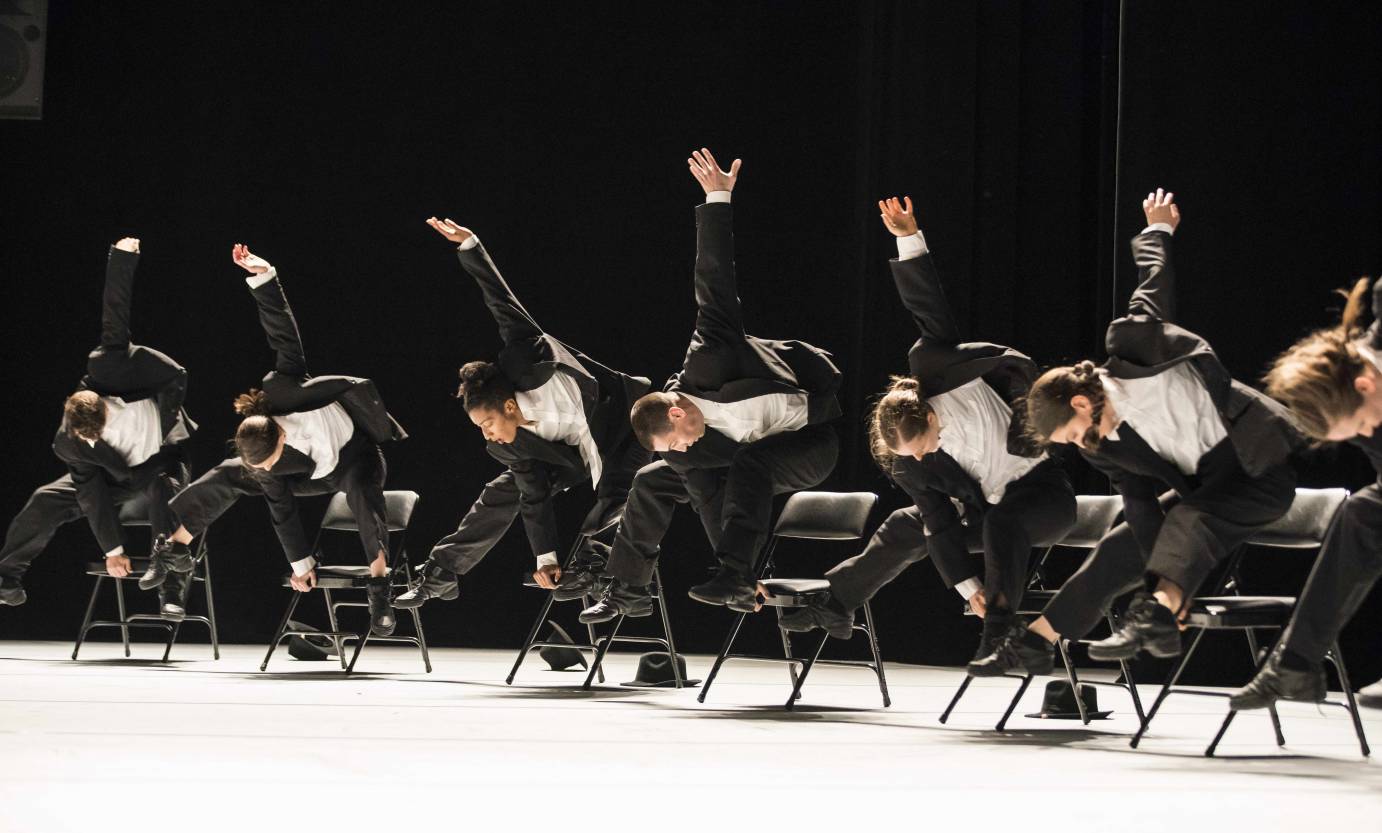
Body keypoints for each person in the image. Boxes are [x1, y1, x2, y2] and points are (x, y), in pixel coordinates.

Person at [970, 189, 1302, 676]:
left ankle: (1156, 616)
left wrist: (1158, 229)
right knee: (1117, 544)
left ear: (1081, 402)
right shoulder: (1105, 449)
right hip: (1208, 491)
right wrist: (1156, 578)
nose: (1084, 444)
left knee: (1189, 516)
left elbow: (1152, 287)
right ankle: (1039, 641)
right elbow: (1142, 506)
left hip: (1258, 469)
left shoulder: (1131, 349)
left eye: (1076, 433)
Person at [777, 196, 1075, 655]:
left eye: (922, 446)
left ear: (931, 415)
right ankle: (837, 602)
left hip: (1042, 497)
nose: (920, 457)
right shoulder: (910, 463)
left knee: (1002, 522)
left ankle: (1001, 626)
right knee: (907, 524)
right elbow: (938, 523)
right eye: (910, 455)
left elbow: (928, 307)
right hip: (988, 511)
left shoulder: (938, 369)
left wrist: (907, 239)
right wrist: (967, 585)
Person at [580, 148, 842, 622]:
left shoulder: (709, 358)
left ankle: (736, 573)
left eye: (675, 439)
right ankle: (630, 589)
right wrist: (733, 564)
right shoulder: (690, 446)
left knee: (749, 463)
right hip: (751, 458)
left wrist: (717, 199)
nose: (679, 447)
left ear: (678, 412)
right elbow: (703, 495)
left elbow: (715, 282)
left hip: (811, 442)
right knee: (652, 480)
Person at [393, 218, 651, 609]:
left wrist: (471, 248)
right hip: (571, 456)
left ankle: (595, 564)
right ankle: (441, 573)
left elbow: (502, 303)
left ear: (509, 406)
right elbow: (534, 496)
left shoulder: (526, 360)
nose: (487, 435)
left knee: (618, 491)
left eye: (488, 424)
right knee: (502, 491)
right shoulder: (509, 446)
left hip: (625, 426)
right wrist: (545, 558)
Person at [159, 245, 406, 636]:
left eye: (268, 462)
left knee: (362, 492)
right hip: (308, 474)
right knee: (229, 474)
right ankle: (175, 549)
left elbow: (283, 335)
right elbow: (282, 510)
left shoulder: (285, 389)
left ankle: (380, 584)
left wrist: (263, 276)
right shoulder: (267, 462)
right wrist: (301, 564)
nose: (265, 470)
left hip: (353, 457)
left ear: (282, 436)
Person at [0, 237, 196, 618]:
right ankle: (6, 577)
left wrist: (121, 258)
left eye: (95, 433)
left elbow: (115, 315)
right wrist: (114, 549)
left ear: (106, 413)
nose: (90, 439)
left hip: (159, 463)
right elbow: (90, 492)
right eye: (84, 437)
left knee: (164, 490)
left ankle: (170, 582)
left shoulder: (113, 368)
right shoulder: (70, 441)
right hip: (115, 477)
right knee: (46, 498)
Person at [1229, 273, 1382, 708]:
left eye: (1364, 424)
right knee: (1364, 514)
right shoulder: (1365, 414)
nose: (1370, 431)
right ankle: (1295, 663)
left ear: (1364, 385)